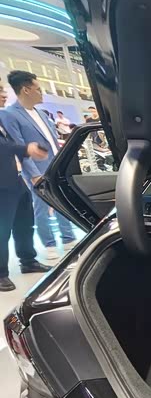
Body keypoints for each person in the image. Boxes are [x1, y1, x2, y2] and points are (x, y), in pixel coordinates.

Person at [2, 71, 77, 260]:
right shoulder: (10, 114)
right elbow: (18, 146)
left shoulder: (41, 113)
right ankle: (49, 243)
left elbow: (52, 140)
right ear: (26, 90)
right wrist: (33, 174)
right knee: (42, 206)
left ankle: (68, 238)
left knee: (61, 201)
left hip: (55, 165)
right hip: (36, 169)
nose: (41, 92)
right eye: (38, 89)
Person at [0, 84, 52, 291]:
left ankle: (28, 260)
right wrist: (25, 149)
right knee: (2, 229)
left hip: (14, 179)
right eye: (0, 90)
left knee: (24, 222)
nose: (4, 94)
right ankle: (1, 274)